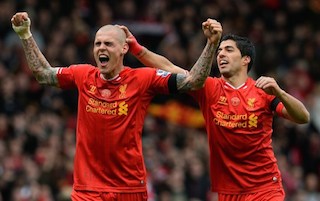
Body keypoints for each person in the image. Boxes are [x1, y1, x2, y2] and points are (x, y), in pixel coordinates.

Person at [11, 12, 222, 201]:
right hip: (88, 189)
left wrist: (212, 44)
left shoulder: (142, 79)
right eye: (98, 44)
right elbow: (43, 74)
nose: (101, 48)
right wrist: (25, 35)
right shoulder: (83, 74)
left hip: (128, 188)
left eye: (108, 44)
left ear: (123, 48)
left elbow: (193, 81)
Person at [122, 28, 310, 200]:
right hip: (228, 192)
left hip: (265, 188)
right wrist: (136, 48)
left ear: (246, 59)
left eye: (228, 50)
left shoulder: (263, 92)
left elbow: (303, 117)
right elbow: (168, 67)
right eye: (219, 51)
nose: (221, 54)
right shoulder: (209, 88)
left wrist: (280, 92)